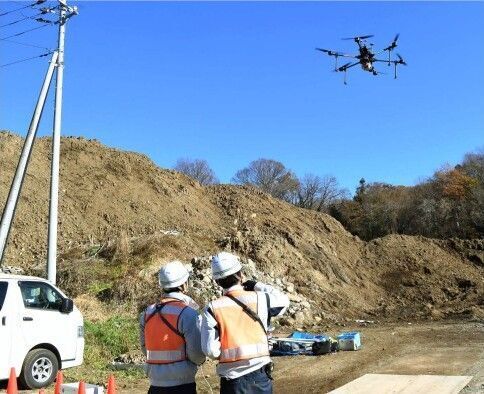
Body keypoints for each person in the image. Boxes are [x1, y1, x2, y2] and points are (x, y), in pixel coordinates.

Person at [201, 252, 290, 394]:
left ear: (217, 281)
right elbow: (284, 301)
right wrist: (257, 285)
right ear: (240, 274)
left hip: (232, 381)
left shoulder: (212, 308)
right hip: (260, 377)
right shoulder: (261, 298)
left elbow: (211, 350)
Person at [140, 260, 205, 394]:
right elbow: (197, 355)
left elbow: (144, 348)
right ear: (184, 284)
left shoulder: (147, 313)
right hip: (182, 385)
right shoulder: (187, 313)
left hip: (155, 385)